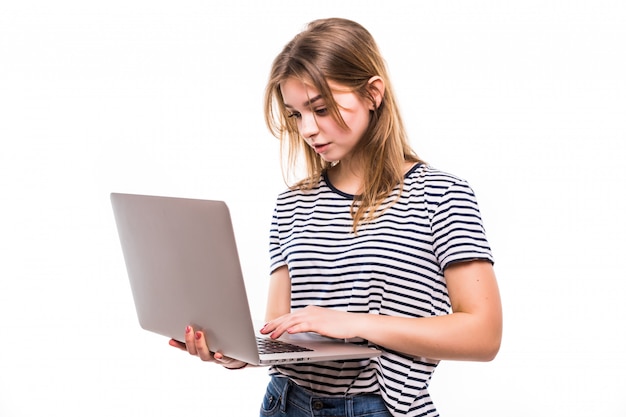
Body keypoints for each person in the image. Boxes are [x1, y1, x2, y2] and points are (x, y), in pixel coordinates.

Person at [170, 17, 502, 417]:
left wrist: (356, 323)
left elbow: (484, 335)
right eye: (296, 115)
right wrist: (234, 353)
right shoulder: (292, 203)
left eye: (321, 109)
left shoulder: (441, 194)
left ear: (373, 94)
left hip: (379, 408)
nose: (308, 129)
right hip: (284, 402)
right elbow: (281, 328)